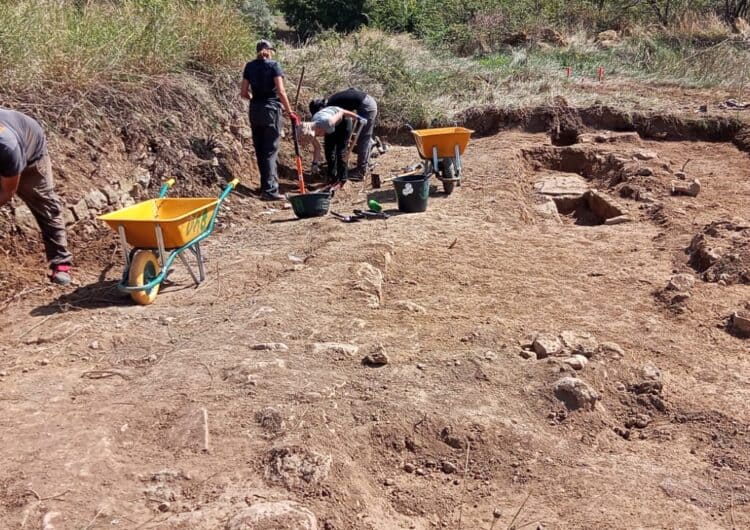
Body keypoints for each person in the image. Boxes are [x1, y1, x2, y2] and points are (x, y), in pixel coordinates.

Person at [0, 108, 73, 285]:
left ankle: (61, 262)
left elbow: (7, 192)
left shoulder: (7, 148)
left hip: (30, 153)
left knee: (46, 205)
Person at [241, 39, 298, 201]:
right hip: (271, 111)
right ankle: (270, 191)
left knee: (259, 150)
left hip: (254, 110)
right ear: (268, 50)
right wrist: (290, 111)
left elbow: (243, 92)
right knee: (270, 151)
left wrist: (255, 98)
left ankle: (265, 187)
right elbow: (280, 91)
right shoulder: (274, 66)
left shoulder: (249, 66)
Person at [309, 88, 377, 180]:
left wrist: (358, 117)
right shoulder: (331, 102)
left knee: (363, 138)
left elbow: (341, 117)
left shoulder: (331, 106)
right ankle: (364, 159)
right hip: (365, 101)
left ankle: (361, 171)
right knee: (362, 138)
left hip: (366, 105)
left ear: (321, 109)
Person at [310, 106, 366, 183]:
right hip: (328, 123)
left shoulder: (328, 122)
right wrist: (314, 163)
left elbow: (342, 112)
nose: (321, 136)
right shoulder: (310, 131)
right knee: (329, 150)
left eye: (321, 134)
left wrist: (358, 117)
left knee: (341, 150)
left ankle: (342, 179)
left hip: (344, 120)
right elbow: (317, 147)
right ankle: (332, 177)